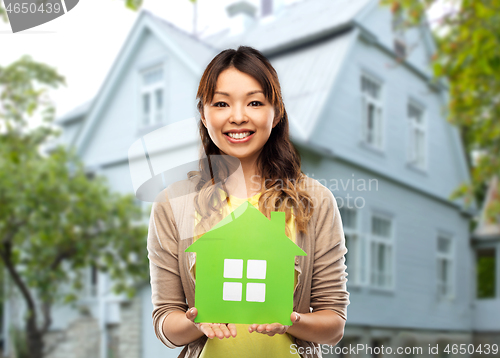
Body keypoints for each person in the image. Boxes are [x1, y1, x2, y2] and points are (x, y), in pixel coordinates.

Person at [147, 46, 350, 358]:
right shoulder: (173, 204)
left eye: (255, 102)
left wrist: (291, 321)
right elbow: (165, 320)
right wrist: (197, 323)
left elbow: (334, 324)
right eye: (221, 103)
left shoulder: (315, 200)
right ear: (204, 113)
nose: (238, 117)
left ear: (277, 112)